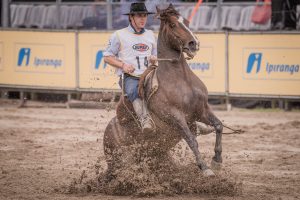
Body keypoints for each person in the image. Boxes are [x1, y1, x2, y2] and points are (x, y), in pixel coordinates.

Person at [103, 2, 157, 134]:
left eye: (144, 15)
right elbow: (107, 57)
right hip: (130, 77)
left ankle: (189, 120)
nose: (143, 19)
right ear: (131, 17)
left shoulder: (151, 35)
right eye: (139, 16)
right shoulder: (119, 35)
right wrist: (123, 65)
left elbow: (155, 55)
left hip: (150, 74)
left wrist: (154, 58)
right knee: (134, 90)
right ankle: (145, 120)